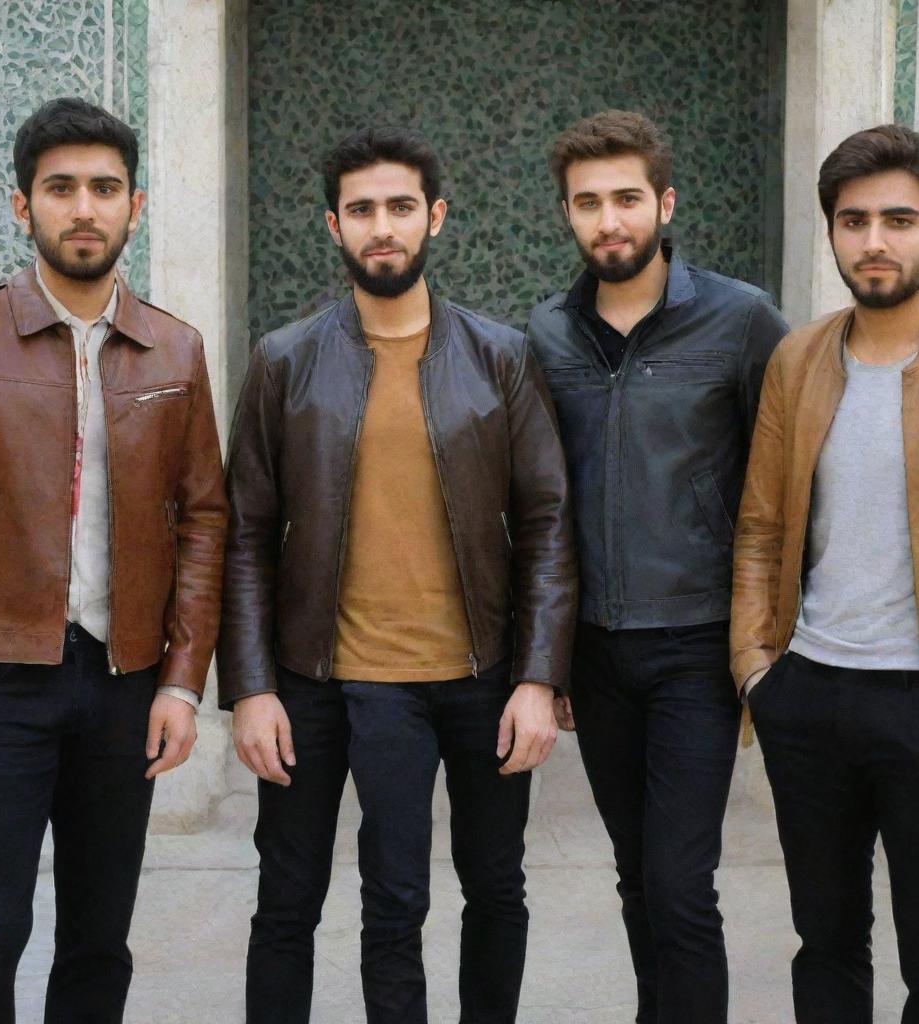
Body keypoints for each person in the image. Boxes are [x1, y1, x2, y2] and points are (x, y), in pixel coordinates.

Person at [218, 125, 576, 1024]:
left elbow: (548, 520)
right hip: (325, 676)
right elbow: (246, 531)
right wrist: (252, 687)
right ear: (332, 225)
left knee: (496, 891)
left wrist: (538, 677)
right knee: (323, 900)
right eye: (363, 210)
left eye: (402, 207)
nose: (384, 227)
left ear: (437, 217)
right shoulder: (285, 359)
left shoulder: (499, 355)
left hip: (480, 678)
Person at [0, 97, 228, 1023]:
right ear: (23, 206)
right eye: (60, 188)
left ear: (135, 207)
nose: (84, 208)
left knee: (100, 937)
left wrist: (182, 683)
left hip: (123, 680)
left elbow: (203, 521)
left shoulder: (175, 348)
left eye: (105, 188)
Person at [526, 110, 788, 1024]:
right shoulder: (547, 334)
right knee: (638, 879)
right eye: (588, 203)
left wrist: (769, 641)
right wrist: (546, 658)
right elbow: (542, 506)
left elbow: (786, 480)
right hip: (598, 653)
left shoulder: (742, 318)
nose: (609, 221)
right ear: (566, 213)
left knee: (681, 887)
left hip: (696, 648)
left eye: (627, 199)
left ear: (664, 202)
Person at [732, 123, 919, 1023]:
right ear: (830, 230)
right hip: (812, 696)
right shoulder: (799, 359)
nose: (874, 240)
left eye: (900, 220)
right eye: (854, 219)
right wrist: (759, 669)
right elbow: (759, 528)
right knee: (825, 945)